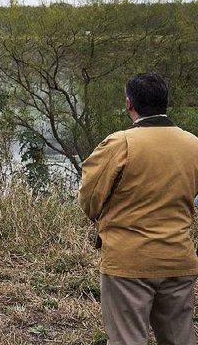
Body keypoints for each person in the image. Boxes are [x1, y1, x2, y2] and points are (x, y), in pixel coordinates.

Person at [78, 73, 198, 344]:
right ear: (166, 102)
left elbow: (90, 196)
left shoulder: (121, 143)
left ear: (129, 103)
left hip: (128, 262)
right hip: (179, 258)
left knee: (127, 339)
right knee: (180, 338)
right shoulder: (193, 144)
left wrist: (99, 215)